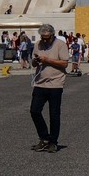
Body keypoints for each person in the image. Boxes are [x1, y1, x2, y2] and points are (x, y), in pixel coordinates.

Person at [28, 24, 69, 153]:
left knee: (54, 115)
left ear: (52, 35)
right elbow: (33, 61)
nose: (44, 40)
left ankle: (53, 142)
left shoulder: (60, 44)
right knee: (34, 111)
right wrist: (36, 61)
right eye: (43, 37)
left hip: (55, 84)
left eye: (47, 38)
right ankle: (44, 137)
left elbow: (64, 63)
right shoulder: (38, 44)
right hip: (40, 83)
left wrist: (47, 60)